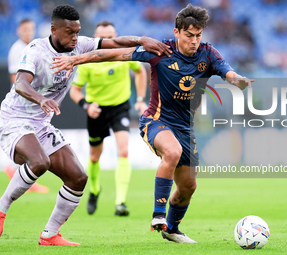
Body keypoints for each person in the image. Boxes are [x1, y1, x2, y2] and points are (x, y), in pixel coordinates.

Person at [51, 4, 253, 244]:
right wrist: (76, 60)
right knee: (172, 151)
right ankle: (159, 216)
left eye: (198, 35)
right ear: (177, 32)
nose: (194, 41)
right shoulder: (160, 51)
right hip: (156, 120)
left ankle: (173, 229)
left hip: (185, 128)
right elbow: (113, 54)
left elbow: (228, 72)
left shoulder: (208, 54)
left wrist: (238, 80)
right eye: (189, 35)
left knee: (188, 186)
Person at [0, 4, 171, 246]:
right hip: (14, 119)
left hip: (41, 123)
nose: (75, 37)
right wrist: (41, 99)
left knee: (78, 178)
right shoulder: (36, 50)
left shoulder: (79, 45)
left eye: (77, 32)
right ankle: (1, 209)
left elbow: (113, 43)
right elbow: (20, 84)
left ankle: (49, 235)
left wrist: (143, 39)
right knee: (39, 162)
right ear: (54, 30)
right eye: (69, 32)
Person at [70, 20, 148, 216]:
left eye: (112, 37)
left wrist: (139, 99)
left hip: (120, 108)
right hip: (97, 111)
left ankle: (120, 201)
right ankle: (94, 190)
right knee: (95, 156)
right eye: (104, 38)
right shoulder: (88, 61)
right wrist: (86, 106)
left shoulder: (124, 54)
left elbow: (140, 72)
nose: (109, 40)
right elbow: (75, 91)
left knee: (123, 151)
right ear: (96, 39)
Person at [6, 19, 49, 194]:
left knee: (32, 144)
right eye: (25, 29)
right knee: (30, 143)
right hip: (21, 104)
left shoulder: (32, 47)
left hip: (29, 103)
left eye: (31, 29)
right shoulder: (17, 50)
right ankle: (18, 173)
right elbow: (15, 78)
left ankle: (21, 175)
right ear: (19, 31)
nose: (28, 32)